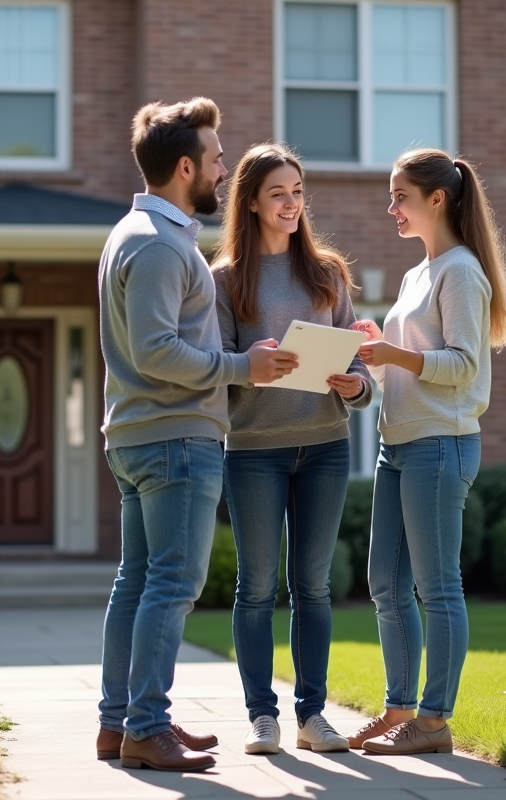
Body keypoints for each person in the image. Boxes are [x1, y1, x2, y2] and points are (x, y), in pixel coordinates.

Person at [96, 99, 299, 773]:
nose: (223, 169)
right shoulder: (159, 243)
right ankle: (145, 725)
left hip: (142, 436)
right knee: (171, 585)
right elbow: (156, 351)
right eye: (215, 158)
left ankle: (121, 721)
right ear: (185, 167)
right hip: (175, 439)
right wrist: (244, 367)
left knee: (137, 582)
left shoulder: (136, 233)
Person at [347, 148, 506, 755]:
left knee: (437, 588)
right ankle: (400, 707)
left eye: (401, 197)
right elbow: (410, 368)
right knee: (385, 583)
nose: (391, 207)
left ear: (437, 199)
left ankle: (434, 721)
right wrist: (377, 350)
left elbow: (465, 366)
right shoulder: (417, 274)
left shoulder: (461, 271)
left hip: (441, 445)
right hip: (398, 445)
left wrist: (396, 354)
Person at [210, 143, 373, 756]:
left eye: (297, 191)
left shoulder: (327, 272)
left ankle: (312, 716)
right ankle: (262, 717)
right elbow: (218, 366)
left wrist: (357, 385)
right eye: (277, 193)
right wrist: (254, 367)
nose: (291, 203)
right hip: (253, 449)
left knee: (313, 586)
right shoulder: (226, 279)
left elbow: (358, 362)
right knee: (256, 586)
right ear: (251, 202)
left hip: (325, 446)